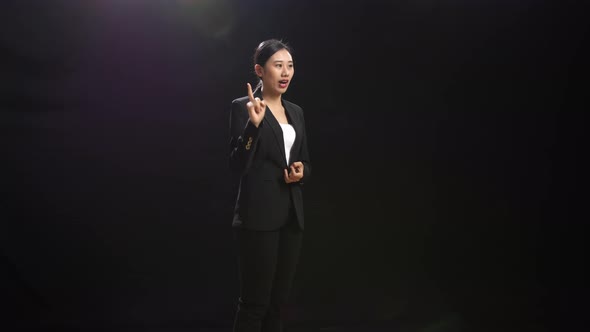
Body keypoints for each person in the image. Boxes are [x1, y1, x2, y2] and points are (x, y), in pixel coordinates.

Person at [228, 39, 311, 332]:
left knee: (279, 304)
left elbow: (305, 163)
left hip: (291, 216)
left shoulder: (296, 112)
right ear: (260, 71)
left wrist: (301, 172)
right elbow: (238, 165)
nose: (286, 72)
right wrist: (254, 125)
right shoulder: (244, 107)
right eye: (278, 65)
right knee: (255, 304)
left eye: (290, 65)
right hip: (257, 217)